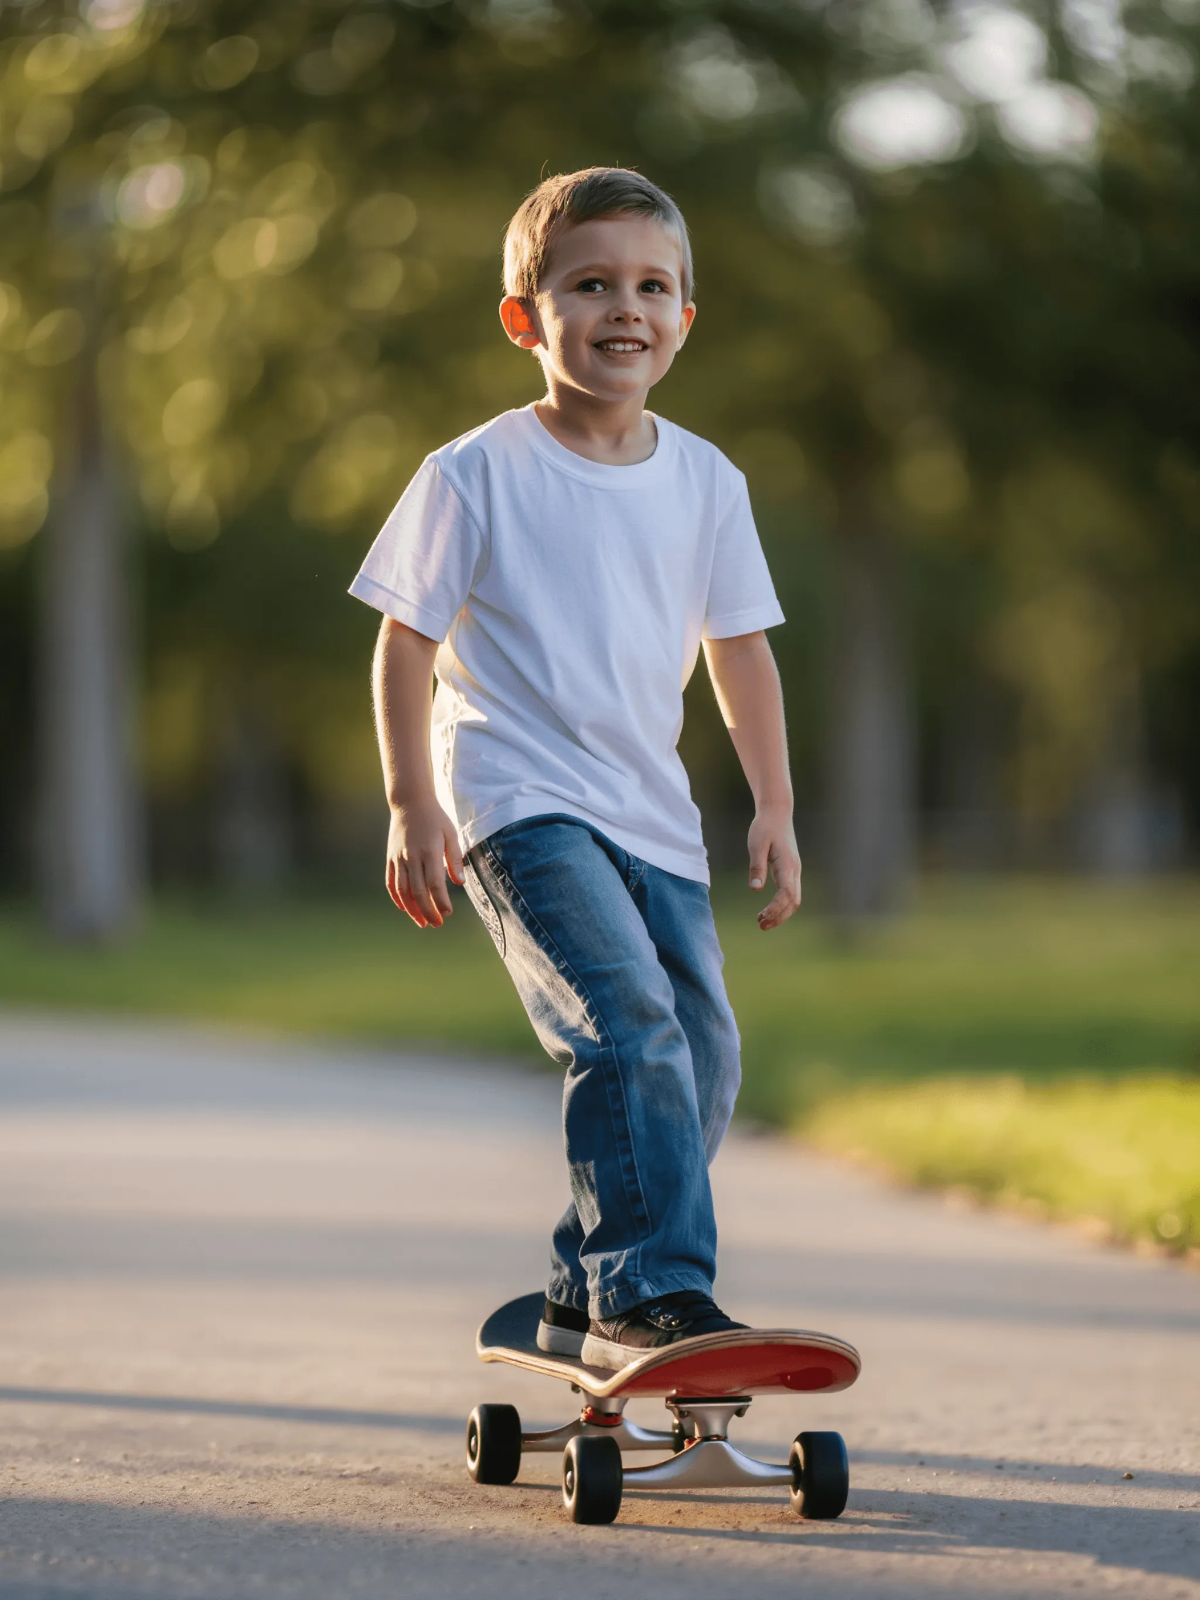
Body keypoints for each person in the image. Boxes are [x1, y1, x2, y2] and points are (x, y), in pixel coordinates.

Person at [350, 167, 801, 1370]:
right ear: (524, 316)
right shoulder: (475, 471)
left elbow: (738, 648)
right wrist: (413, 801)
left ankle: (578, 1282)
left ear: (685, 320)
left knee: (703, 1058)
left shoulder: (708, 479)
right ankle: (651, 1295)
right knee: (628, 1025)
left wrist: (777, 804)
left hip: (653, 815)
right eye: (590, 283)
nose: (625, 309)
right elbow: (405, 641)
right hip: (516, 804)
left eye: (653, 286)